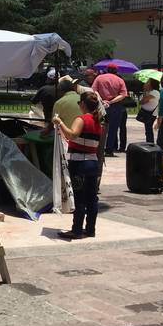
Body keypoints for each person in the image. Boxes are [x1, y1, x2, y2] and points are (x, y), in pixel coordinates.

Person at [53, 92, 105, 240]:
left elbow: (72, 135)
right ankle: (90, 229)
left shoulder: (81, 119)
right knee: (91, 198)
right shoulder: (97, 121)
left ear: (82, 104)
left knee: (80, 198)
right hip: (92, 162)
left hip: (79, 164)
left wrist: (59, 122)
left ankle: (76, 230)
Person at [91, 63, 128, 156]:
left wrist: (102, 101)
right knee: (113, 129)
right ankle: (109, 150)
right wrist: (110, 102)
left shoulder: (99, 78)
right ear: (116, 71)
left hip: (101, 105)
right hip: (115, 106)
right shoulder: (120, 80)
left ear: (107, 69)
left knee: (99, 128)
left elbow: (94, 91)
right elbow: (123, 95)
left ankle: (98, 149)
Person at [137, 78, 160, 144]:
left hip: (151, 114)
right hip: (147, 113)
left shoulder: (154, 92)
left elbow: (143, 101)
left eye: (148, 82)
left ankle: (150, 144)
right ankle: (149, 143)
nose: (145, 83)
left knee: (149, 130)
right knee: (148, 130)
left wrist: (144, 90)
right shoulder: (150, 92)